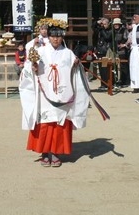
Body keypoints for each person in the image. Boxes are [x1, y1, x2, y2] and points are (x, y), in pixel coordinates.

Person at [18, 19, 89, 168]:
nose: (55, 39)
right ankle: (44, 152)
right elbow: (28, 69)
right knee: (44, 122)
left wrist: (76, 66)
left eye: (59, 36)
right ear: (48, 37)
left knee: (59, 122)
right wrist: (34, 68)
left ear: (62, 37)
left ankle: (56, 152)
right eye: (52, 36)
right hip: (44, 93)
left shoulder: (68, 53)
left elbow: (75, 72)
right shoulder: (39, 51)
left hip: (62, 93)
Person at [93, 17, 113, 89]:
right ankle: (103, 84)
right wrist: (97, 22)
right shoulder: (100, 30)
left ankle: (108, 83)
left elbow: (107, 37)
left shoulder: (111, 30)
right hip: (100, 50)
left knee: (106, 68)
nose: (103, 25)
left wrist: (102, 30)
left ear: (108, 24)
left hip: (106, 51)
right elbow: (93, 27)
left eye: (105, 24)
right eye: (102, 24)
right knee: (101, 68)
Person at [113, 17, 130, 87]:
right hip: (115, 50)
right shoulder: (113, 31)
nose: (116, 25)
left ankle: (125, 81)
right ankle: (116, 80)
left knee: (124, 66)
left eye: (117, 24)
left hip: (123, 50)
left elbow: (128, 39)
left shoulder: (124, 30)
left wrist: (124, 45)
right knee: (115, 66)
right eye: (115, 24)